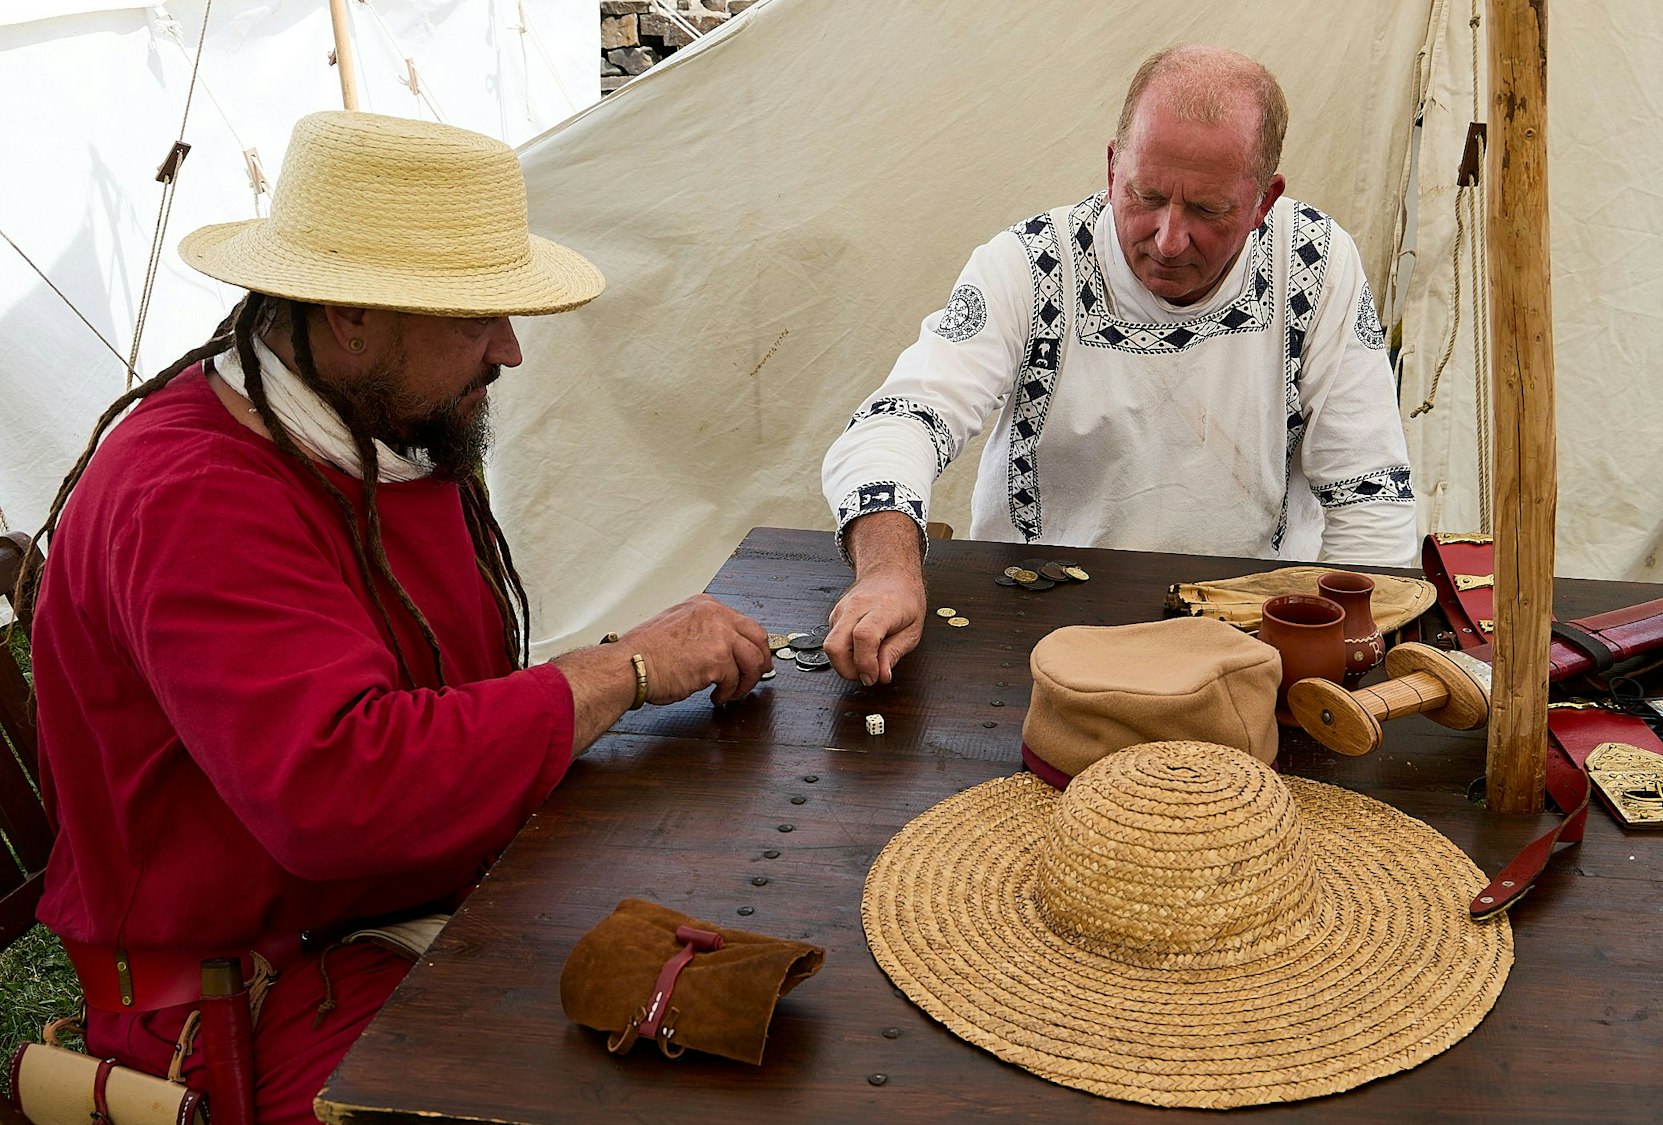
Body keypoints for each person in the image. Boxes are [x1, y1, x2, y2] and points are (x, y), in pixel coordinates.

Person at [22, 111, 771, 1123]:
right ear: (346, 311)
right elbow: (334, 791)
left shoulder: (381, 433)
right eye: (474, 318)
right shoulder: (192, 495)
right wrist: (618, 671)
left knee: (749, 970)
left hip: (387, 920)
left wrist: (612, 677)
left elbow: (430, 699)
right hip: (242, 1000)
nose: (509, 350)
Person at [820, 46, 1417, 686]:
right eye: (1146, 195)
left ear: (1264, 200)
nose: (1167, 238)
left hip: (1247, 647)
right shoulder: (1031, 265)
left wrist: (1354, 668)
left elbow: (1369, 492)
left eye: (1208, 211)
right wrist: (888, 572)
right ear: (1112, 168)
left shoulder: (1315, 265)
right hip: (1036, 635)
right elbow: (902, 419)